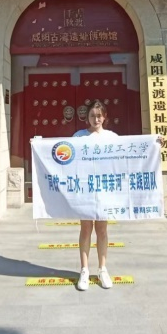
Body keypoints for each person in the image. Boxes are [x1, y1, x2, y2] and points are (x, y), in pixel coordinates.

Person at [72, 99, 117, 291]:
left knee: (102, 230)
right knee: (85, 229)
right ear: (87, 117)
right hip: (85, 188)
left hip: (104, 189)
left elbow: (131, 152)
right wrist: (38, 145)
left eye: (99, 115)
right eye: (92, 115)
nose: (96, 119)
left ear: (104, 117)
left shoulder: (112, 137)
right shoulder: (79, 136)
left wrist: (155, 144)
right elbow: (64, 155)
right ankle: (84, 270)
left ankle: (102, 269)